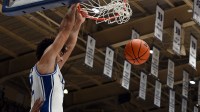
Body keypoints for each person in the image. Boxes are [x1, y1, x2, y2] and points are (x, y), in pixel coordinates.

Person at [29, 4, 85, 112]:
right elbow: (66, 35)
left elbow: (67, 41)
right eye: (60, 54)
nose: (61, 58)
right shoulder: (46, 65)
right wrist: (75, 10)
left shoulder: (46, 67)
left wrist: (77, 20)